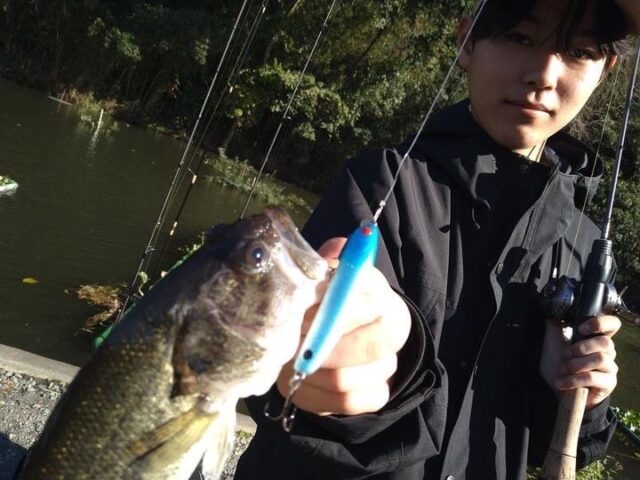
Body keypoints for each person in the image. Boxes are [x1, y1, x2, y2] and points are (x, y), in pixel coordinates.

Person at [234, 0, 636, 478]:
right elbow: (280, 387)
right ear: (467, 42)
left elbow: (555, 446)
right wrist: (356, 369)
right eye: (520, 38)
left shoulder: (584, 245)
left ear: (605, 70)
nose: (545, 75)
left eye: (579, 52)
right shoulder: (379, 185)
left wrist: (581, 395)